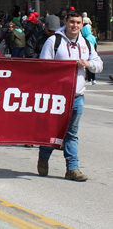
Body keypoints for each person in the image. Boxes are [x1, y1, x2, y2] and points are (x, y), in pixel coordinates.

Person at [37, 11, 103, 181]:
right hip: (57, 96)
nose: (75, 25)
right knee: (53, 131)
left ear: (82, 25)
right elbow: (43, 67)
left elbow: (99, 65)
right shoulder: (54, 41)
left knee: (72, 133)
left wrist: (88, 64)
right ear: (65, 22)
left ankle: (72, 169)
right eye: (72, 21)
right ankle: (43, 157)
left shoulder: (86, 43)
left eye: (78, 23)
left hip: (77, 96)